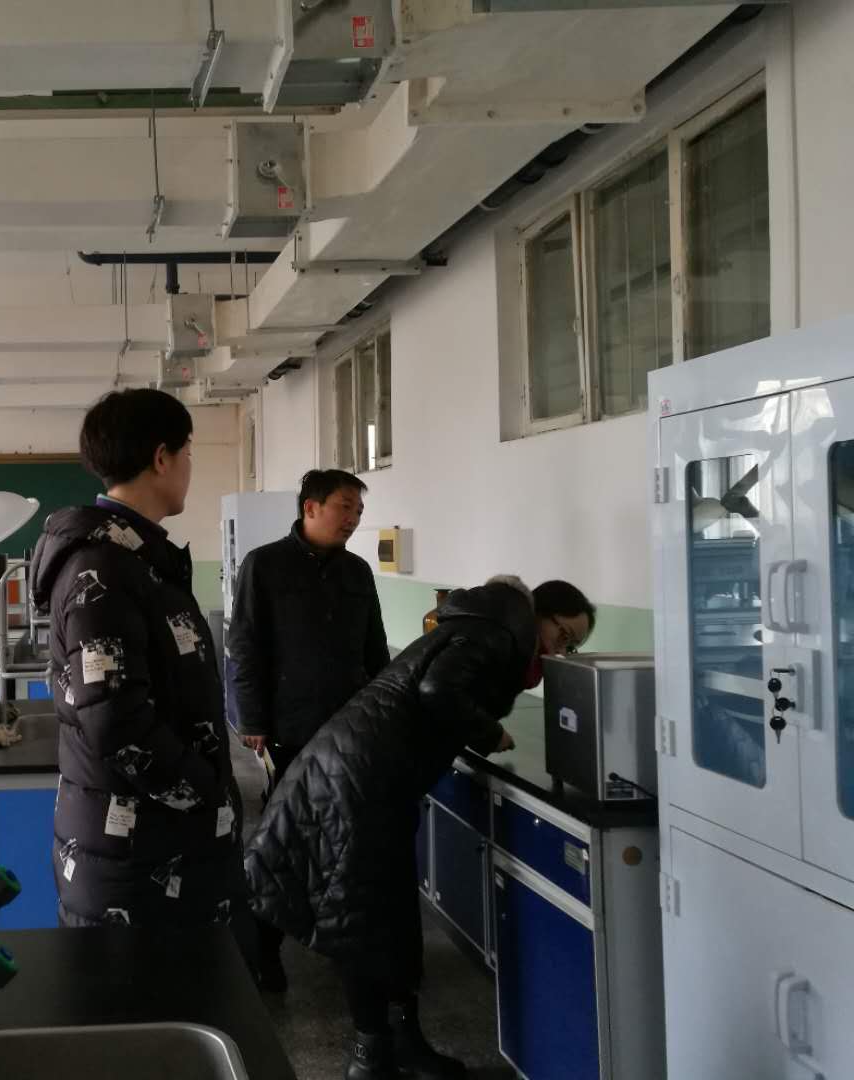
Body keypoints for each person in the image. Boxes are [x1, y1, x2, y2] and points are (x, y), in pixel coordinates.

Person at [244, 575, 589, 1080]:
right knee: (364, 917)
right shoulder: (497, 632)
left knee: (387, 913)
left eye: (572, 646)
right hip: (363, 779)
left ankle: (400, 1039)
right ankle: (371, 1055)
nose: (560, 651)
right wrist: (488, 730)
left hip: (367, 772)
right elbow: (438, 689)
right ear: (539, 615)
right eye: (563, 636)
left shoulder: (484, 624)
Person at [29, 388, 246, 937]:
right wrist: (203, 789)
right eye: (188, 452)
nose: (190, 467)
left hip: (152, 850)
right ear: (161, 457)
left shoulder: (136, 559)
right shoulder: (104, 568)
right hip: (136, 863)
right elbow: (115, 721)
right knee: (147, 993)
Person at [225, 468, 390, 990]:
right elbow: (245, 645)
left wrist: (382, 712)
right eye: (344, 506)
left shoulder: (357, 572)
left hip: (349, 729)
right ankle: (263, 949)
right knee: (285, 841)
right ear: (310, 508)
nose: (353, 518)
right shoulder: (265, 565)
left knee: (346, 840)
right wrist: (252, 719)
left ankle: (340, 942)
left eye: (358, 510)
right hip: (289, 727)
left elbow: (374, 648)